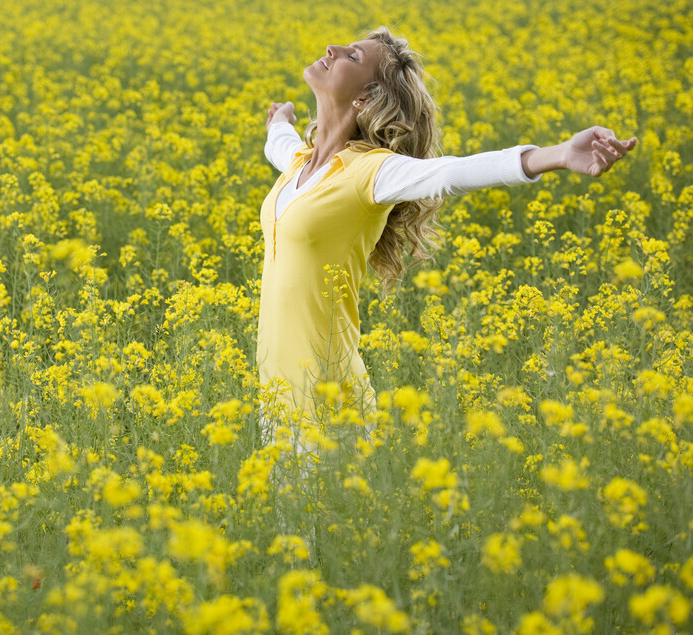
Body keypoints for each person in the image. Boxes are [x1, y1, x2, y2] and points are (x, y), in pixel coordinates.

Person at [258, 25, 637, 441]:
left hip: (331, 406)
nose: (333, 47)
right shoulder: (299, 162)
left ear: (364, 98)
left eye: (353, 57)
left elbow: (451, 173)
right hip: (277, 398)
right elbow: (279, 143)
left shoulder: (371, 171)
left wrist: (559, 154)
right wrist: (281, 119)